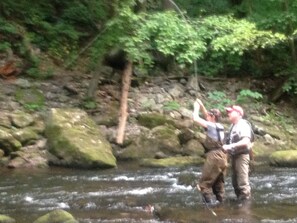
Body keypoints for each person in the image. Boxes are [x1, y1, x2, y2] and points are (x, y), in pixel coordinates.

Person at [193, 99, 228, 206]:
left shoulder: (211, 126)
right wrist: (202, 105)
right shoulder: (219, 126)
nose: (206, 116)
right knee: (218, 185)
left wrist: (196, 107)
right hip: (223, 156)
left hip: (214, 156)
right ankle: (221, 206)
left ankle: (208, 208)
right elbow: (206, 116)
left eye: (208, 116)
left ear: (212, 117)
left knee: (204, 184)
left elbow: (195, 118)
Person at [222, 105, 253, 202]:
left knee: (242, 183)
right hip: (234, 156)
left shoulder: (243, 125)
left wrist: (230, 146)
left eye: (231, 112)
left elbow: (246, 141)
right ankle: (240, 204)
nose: (228, 114)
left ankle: (246, 207)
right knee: (235, 183)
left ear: (239, 114)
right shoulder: (233, 126)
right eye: (228, 112)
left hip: (242, 156)